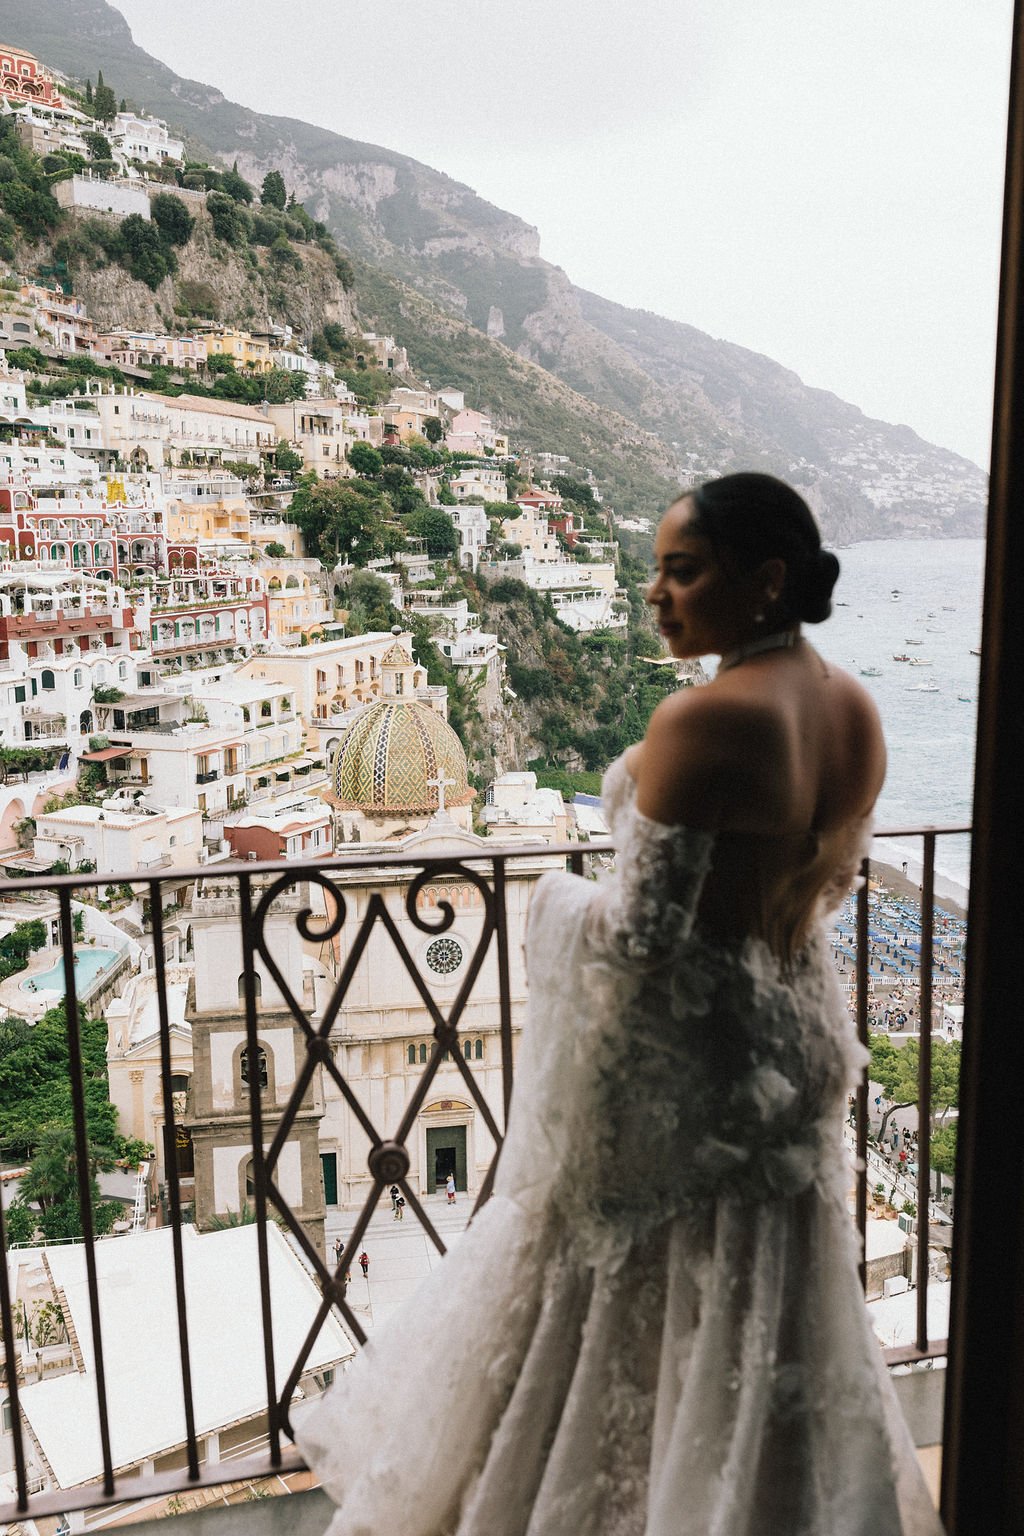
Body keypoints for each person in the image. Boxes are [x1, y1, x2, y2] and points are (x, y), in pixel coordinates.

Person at [295, 474, 941, 1535]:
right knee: (773, 1303)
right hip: (800, 1041)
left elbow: (642, 940)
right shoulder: (851, 707)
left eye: (680, 571)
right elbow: (822, 892)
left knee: (612, 1299)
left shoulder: (704, 719)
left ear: (764, 579)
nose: (653, 595)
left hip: (690, 1070)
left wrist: (544, 896)